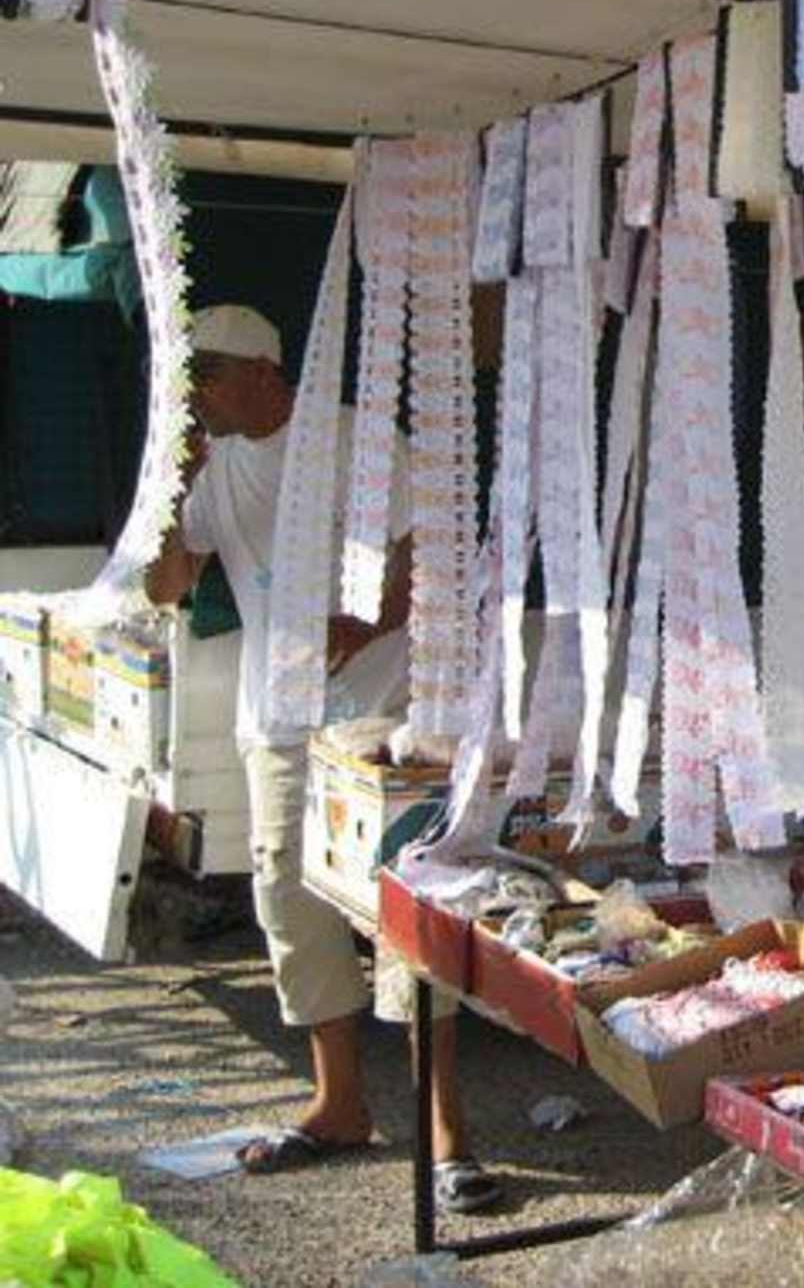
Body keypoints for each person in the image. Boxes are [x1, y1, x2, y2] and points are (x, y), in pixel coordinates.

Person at [145, 305, 501, 1214]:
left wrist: (366, 622)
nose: (198, 395)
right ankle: (340, 1103)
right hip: (278, 721)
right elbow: (167, 586)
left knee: (409, 910)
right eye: (190, 380)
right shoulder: (214, 468)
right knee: (287, 897)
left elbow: (433, 555)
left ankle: (445, 1126)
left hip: (383, 714)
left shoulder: (356, 441)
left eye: (209, 375)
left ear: (263, 371)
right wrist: (170, 490)